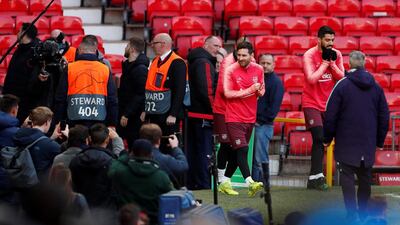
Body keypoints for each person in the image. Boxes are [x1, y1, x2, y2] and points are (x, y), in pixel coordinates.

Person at [323, 51, 389, 219]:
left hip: (346, 139)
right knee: (365, 176)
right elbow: (384, 116)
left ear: (349, 64)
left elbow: (331, 114)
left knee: (347, 176)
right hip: (367, 140)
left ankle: (351, 214)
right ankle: (364, 212)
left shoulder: (342, 85)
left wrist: (327, 138)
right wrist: (380, 140)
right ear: (365, 63)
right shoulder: (377, 87)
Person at [218, 41, 264, 197]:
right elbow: (227, 93)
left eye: (244, 55)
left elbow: (261, 88)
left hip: (250, 117)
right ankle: (250, 182)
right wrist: (250, 90)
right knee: (243, 149)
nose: (241, 58)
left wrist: (259, 92)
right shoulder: (230, 70)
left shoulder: (259, 69)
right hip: (233, 117)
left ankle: (224, 182)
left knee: (237, 154)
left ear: (252, 55)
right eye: (239, 55)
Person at [302, 25, 344, 190]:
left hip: (329, 103)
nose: (330, 43)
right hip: (311, 102)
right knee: (318, 137)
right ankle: (318, 177)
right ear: (318, 39)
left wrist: (332, 64)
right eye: (327, 40)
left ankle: (314, 178)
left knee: (325, 140)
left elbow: (342, 77)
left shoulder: (337, 54)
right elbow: (312, 79)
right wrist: (325, 64)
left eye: (332, 40)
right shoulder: (309, 55)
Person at [55, 35, 118, 128]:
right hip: (99, 121)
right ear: (96, 51)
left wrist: (58, 121)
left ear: (79, 49)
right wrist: (112, 124)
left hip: (74, 120)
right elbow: (112, 100)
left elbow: (60, 98)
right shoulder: (105, 69)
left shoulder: (69, 68)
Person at [108, 139, 173, 225]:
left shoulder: (121, 173)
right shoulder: (161, 176)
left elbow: (113, 167)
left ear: (132, 153)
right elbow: (172, 195)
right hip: (153, 220)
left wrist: (125, 155)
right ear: (151, 154)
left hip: (127, 220)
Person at [186, 36, 222, 189]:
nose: (217, 49)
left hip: (193, 115)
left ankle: (195, 182)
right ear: (205, 45)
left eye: (219, 46)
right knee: (204, 152)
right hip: (203, 116)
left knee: (195, 151)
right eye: (215, 45)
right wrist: (215, 112)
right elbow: (206, 91)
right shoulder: (204, 63)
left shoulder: (195, 60)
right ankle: (203, 183)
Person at [213, 38, 247, 184]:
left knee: (237, 146)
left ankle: (226, 179)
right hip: (223, 110)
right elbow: (222, 90)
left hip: (238, 112)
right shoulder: (227, 62)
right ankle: (220, 178)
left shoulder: (250, 64)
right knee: (226, 144)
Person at [141, 33, 187, 138]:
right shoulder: (154, 61)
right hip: (154, 113)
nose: (152, 45)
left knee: (167, 146)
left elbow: (180, 90)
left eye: (154, 43)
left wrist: (173, 114)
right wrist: (145, 110)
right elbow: (149, 88)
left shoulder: (177, 62)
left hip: (168, 115)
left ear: (163, 44)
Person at [69, 123, 117, 209]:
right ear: (107, 140)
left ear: (89, 139)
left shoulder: (75, 160)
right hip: (104, 213)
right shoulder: (113, 164)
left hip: (80, 212)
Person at [252, 54, 284, 182]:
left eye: (268, 63)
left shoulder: (276, 82)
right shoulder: (255, 79)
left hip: (263, 125)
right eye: (262, 63)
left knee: (260, 158)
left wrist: (259, 120)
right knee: (252, 157)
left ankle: (264, 184)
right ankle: (253, 184)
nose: (265, 65)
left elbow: (274, 109)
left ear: (273, 65)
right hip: (251, 123)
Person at [3, 23, 41, 123]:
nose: (17, 33)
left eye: (19, 31)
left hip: (23, 101)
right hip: (11, 97)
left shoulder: (34, 53)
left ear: (24, 33)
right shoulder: (20, 49)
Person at [13, 107, 62, 181]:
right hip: (37, 186)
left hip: (16, 180)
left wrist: (51, 138)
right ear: (47, 122)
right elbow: (66, 155)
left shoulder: (17, 134)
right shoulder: (51, 145)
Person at [118, 37, 149, 148]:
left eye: (127, 46)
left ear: (131, 49)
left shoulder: (140, 69)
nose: (125, 48)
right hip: (126, 112)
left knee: (133, 145)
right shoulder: (128, 65)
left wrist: (127, 114)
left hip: (133, 116)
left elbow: (140, 94)